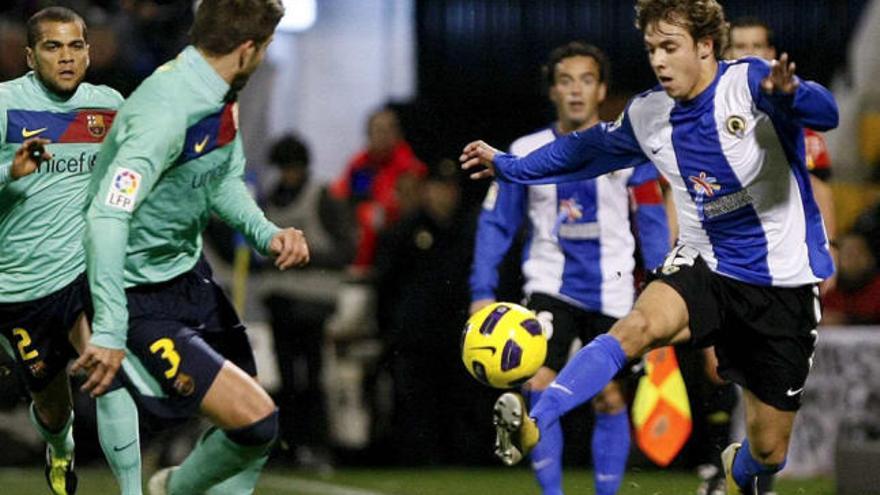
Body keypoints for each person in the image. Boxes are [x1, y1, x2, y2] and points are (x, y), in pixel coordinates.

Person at [460, 0, 838, 493]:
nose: (658, 61)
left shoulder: (749, 83)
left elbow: (824, 113)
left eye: (669, 47)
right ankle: (536, 419)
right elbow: (582, 150)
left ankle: (738, 470)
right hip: (707, 262)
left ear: (705, 47)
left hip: (782, 283)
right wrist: (509, 165)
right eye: (651, 49)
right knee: (636, 326)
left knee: (769, 452)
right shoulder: (649, 113)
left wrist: (795, 96)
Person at [73, 1, 309, 494]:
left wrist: (268, 233)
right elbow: (107, 214)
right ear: (247, 50)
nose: (264, 57)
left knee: (253, 434)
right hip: (140, 298)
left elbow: (222, 179)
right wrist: (112, 326)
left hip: (191, 280)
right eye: (265, 48)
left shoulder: (220, 93)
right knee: (257, 421)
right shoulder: (163, 111)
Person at [469, 41, 669, 495]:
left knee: (610, 397)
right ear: (553, 91)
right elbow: (496, 225)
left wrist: (662, 285)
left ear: (601, 91)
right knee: (539, 383)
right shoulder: (525, 151)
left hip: (615, 293)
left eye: (586, 80)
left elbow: (652, 221)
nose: (576, 91)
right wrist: (481, 290)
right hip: (549, 287)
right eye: (566, 81)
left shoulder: (628, 149)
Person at [0, 7, 141, 495]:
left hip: (86, 271)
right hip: (20, 285)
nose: (66, 57)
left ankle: (131, 490)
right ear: (30, 56)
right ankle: (60, 448)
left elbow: (129, 173)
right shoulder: (5, 105)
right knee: (54, 406)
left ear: (88, 50)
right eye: (53, 47)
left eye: (75, 46)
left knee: (109, 371)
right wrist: (9, 173)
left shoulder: (108, 106)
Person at [260, 134, 355, 469]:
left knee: (312, 380)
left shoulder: (322, 196)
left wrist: (303, 255)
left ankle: (317, 447)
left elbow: (346, 249)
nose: (288, 175)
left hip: (313, 302)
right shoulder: (270, 198)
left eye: (292, 168)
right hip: (281, 301)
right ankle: (288, 446)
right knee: (286, 381)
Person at [330, 106, 427, 274]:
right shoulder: (359, 163)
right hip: (358, 236)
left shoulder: (409, 167)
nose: (384, 135)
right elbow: (340, 193)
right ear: (369, 134)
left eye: (390, 129)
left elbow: (410, 207)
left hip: (397, 240)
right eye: (379, 130)